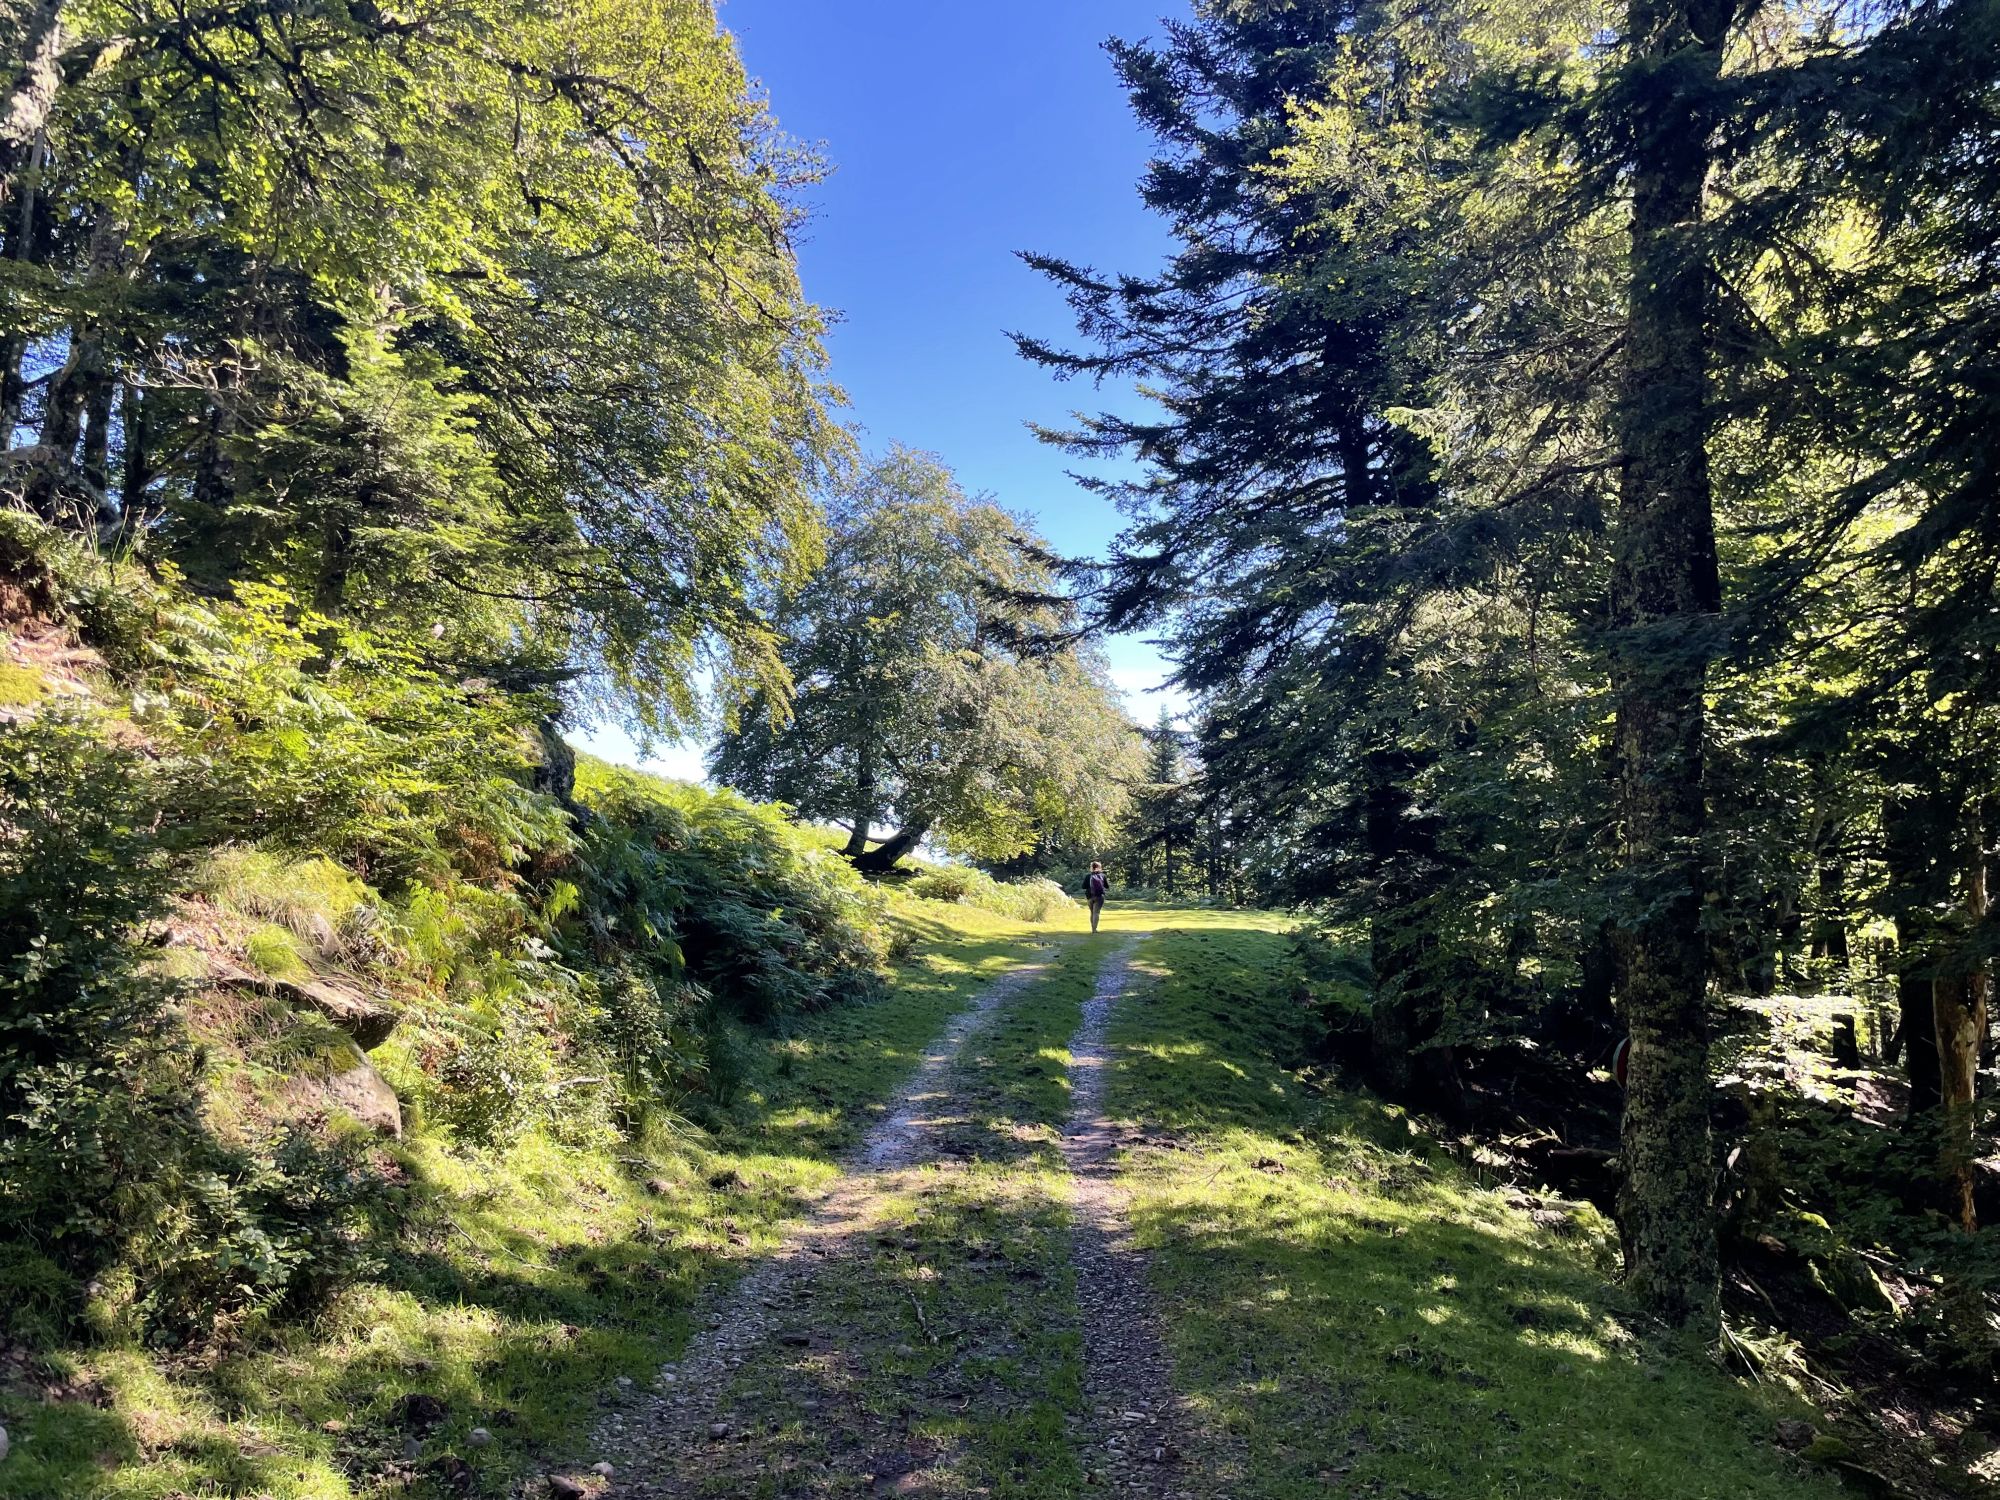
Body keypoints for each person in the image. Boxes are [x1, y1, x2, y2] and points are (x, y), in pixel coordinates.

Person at [1085, 861, 1109, 932]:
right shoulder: (1102, 876)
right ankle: (1094, 929)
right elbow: (1106, 886)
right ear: (1099, 867)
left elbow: (1083, 886)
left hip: (1090, 896)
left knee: (1092, 912)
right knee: (1096, 913)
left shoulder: (1088, 876)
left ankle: (1092, 928)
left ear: (1091, 867)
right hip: (1099, 897)